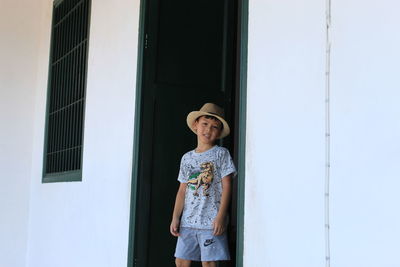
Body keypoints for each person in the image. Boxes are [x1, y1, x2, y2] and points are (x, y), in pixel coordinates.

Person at [170, 103, 236, 267]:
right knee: (181, 261)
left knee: (209, 263)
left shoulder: (221, 154)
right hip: (188, 221)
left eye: (214, 127)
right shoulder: (186, 158)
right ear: (196, 125)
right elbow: (182, 191)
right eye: (205, 124)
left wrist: (221, 216)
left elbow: (227, 186)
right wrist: (175, 217)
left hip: (211, 222)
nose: (208, 130)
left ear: (219, 132)